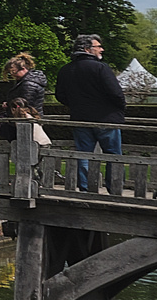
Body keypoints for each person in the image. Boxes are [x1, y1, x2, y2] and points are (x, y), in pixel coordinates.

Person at [53, 34, 127, 193]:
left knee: (84, 155)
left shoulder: (66, 70)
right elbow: (116, 93)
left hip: (80, 118)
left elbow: (60, 95)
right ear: (87, 49)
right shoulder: (101, 68)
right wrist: (119, 108)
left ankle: (86, 189)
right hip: (106, 118)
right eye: (98, 46)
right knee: (113, 156)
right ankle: (115, 189)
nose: (102, 49)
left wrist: (76, 105)